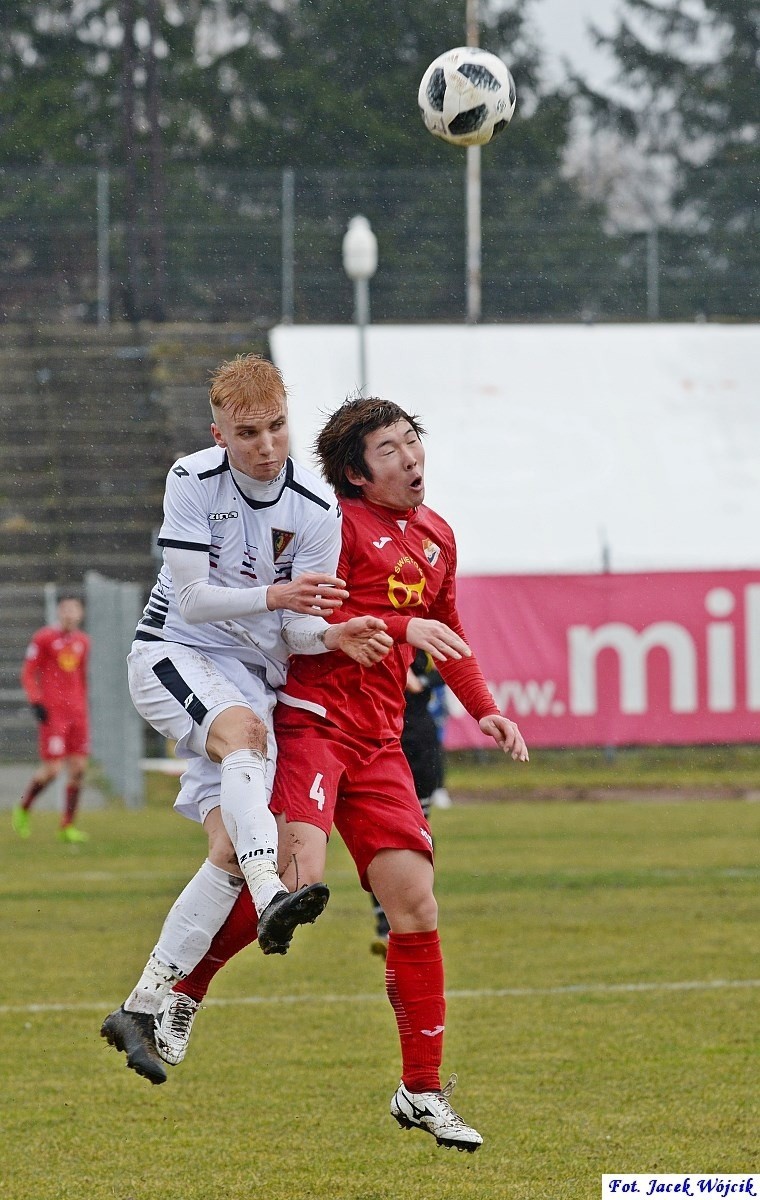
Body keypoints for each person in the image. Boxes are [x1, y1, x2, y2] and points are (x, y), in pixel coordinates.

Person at [157, 396, 529, 1152]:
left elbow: (447, 627)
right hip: (312, 725)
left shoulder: (436, 536)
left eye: (412, 441)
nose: (410, 457)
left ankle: (421, 1091)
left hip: (380, 743)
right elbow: (310, 623)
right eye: (389, 449)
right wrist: (398, 627)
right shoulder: (331, 526)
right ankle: (175, 996)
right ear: (357, 472)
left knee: (415, 905)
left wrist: (485, 707)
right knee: (295, 888)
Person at [100, 355, 391, 1085]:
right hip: (174, 651)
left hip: (249, 678)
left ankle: (140, 1004)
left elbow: (295, 631)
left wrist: (332, 634)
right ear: (219, 433)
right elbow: (193, 598)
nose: (265, 445)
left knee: (228, 847)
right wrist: (278, 598)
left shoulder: (317, 512)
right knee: (246, 740)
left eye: (276, 427)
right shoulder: (191, 479)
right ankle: (275, 896)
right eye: (248, 432)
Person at [370, 649, 445, 957]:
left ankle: (414, 914)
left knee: (418, 828)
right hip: (381, 734)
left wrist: (421, 679)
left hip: (417, 737)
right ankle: (385, 920)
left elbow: (456, 662)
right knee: (382, 830)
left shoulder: (426, 628)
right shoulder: (374, 625)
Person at [13, 595, 91, 844]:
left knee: (79, 769)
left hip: (77, 713)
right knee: (53, 770)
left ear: (80, 614)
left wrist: (82, 706)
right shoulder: (44, 638)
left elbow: (80, 677)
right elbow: (27, 672)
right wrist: (36, 701)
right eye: (65, 609)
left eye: (74, 609)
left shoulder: (83, 641)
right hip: (54, 713)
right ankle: (24, 808)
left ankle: (67, 825)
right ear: (59, 612)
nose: (69, 614)